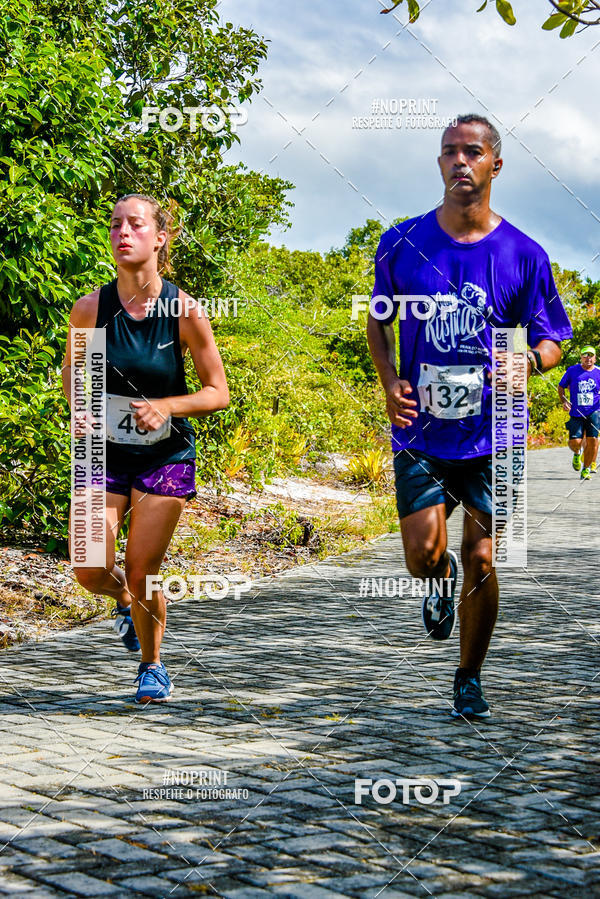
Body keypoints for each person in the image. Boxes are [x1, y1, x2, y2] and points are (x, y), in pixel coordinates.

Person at [367, 114, 572, 719]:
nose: (460, 162)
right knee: (422, 557)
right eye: (450, 152)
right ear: (439, 164)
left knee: (487, 558)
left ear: (495, 165)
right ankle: (439, 577)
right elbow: (379, 321)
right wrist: (389, 382)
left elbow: (554, 338)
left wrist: (529, 362)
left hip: (498, 430)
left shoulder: (525, 254)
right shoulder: (402, 242)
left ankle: (469, 676)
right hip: (421, 429)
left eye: (473, 152)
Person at [62, 193, 229, 704]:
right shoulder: (92, 308)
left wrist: (167, 407)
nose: (122, 233)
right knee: (89, 567)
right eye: (115, 225)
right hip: (103, 452)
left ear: (160, 238)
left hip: (165, 455)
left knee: (141, 568)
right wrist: (80, 407)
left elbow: (217, 391)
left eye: (136, 225)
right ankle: (128, 605)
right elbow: (74, 374)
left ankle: (152, 666)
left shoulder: (184, 310)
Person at [557, 346, 600, 480]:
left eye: (591, 355)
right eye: (585, 355)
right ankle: (577, 453)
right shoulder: (572, 371)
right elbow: (561, 386)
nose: (588, 358)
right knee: (575, 441)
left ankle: (586, 469)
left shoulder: (599, 372)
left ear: (595, 358)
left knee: (593, 440)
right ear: (581, 357)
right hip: (576, 411)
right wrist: (564, 401)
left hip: (594, 411)